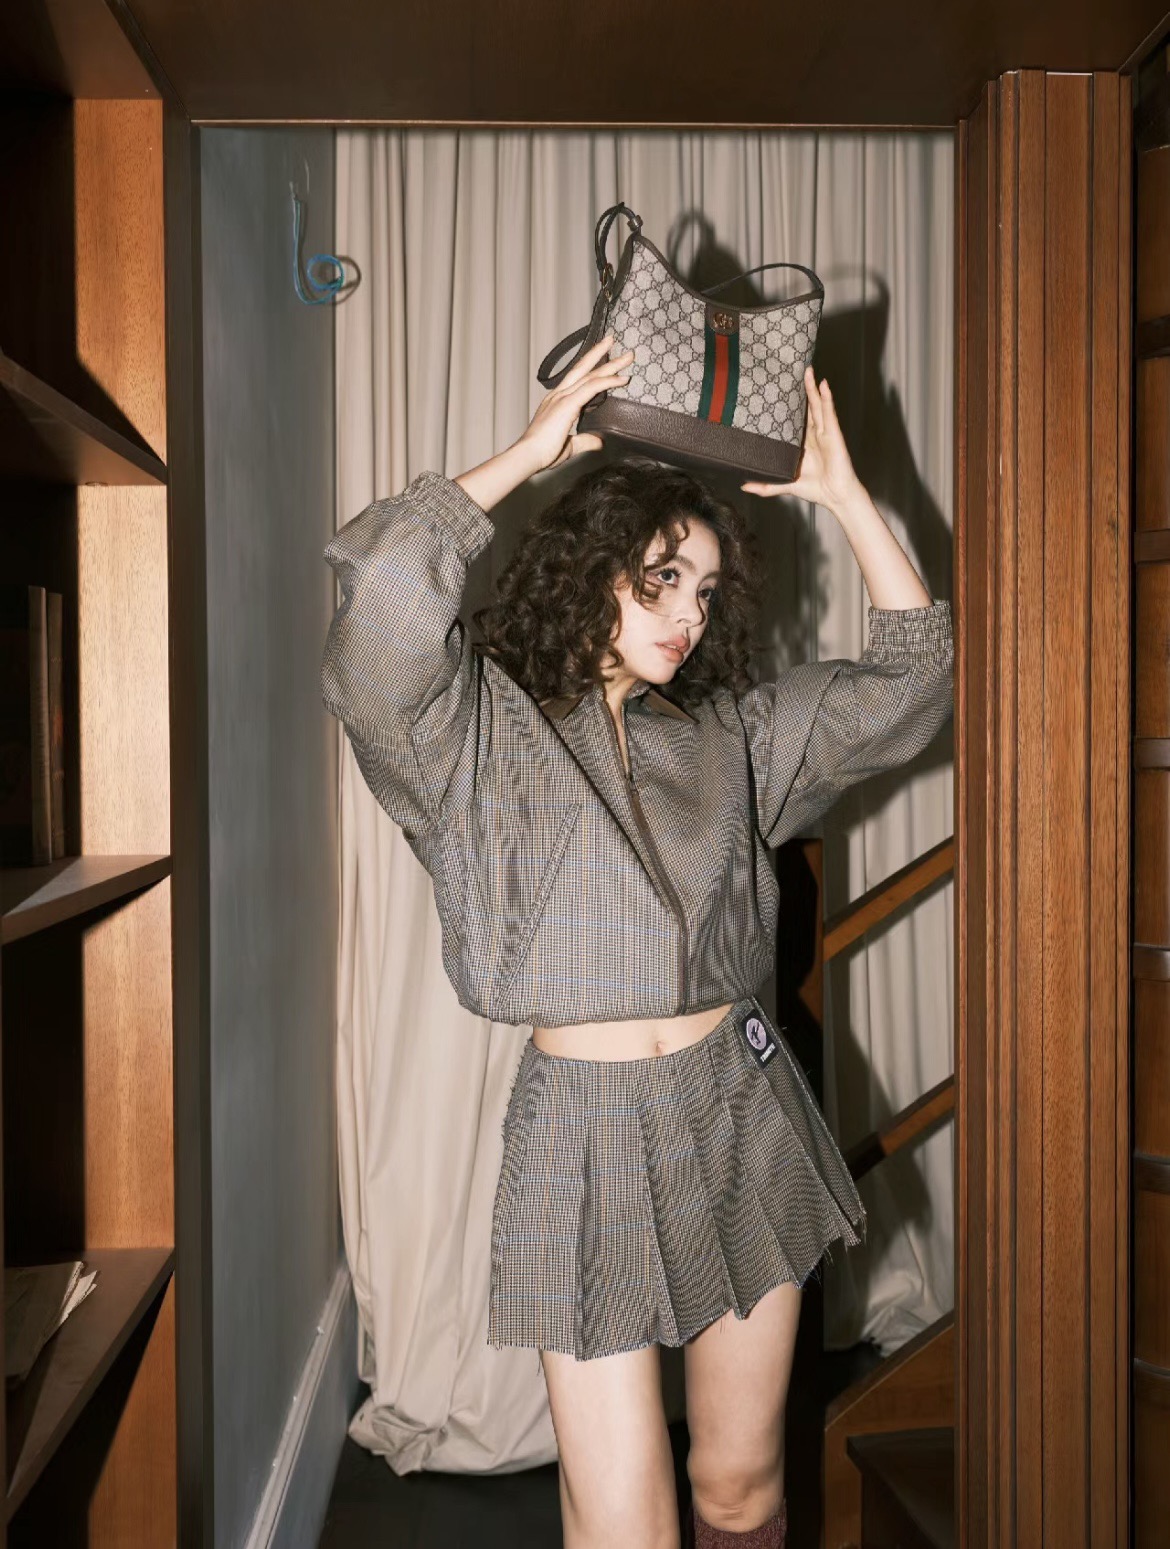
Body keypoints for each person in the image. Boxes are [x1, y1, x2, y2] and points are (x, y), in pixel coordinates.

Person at [321, 333, 954, 1549]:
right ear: (593, 566)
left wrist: (845, 497)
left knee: (742, 1490)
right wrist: (524, 457)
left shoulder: (731, 738)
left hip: (744, 1110)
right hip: (584, 1136)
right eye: (661, 577)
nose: (687, 614)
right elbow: (381, 615)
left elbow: (911, 687)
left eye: (705, 591)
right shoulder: (476, 735)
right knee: (626, 1528)